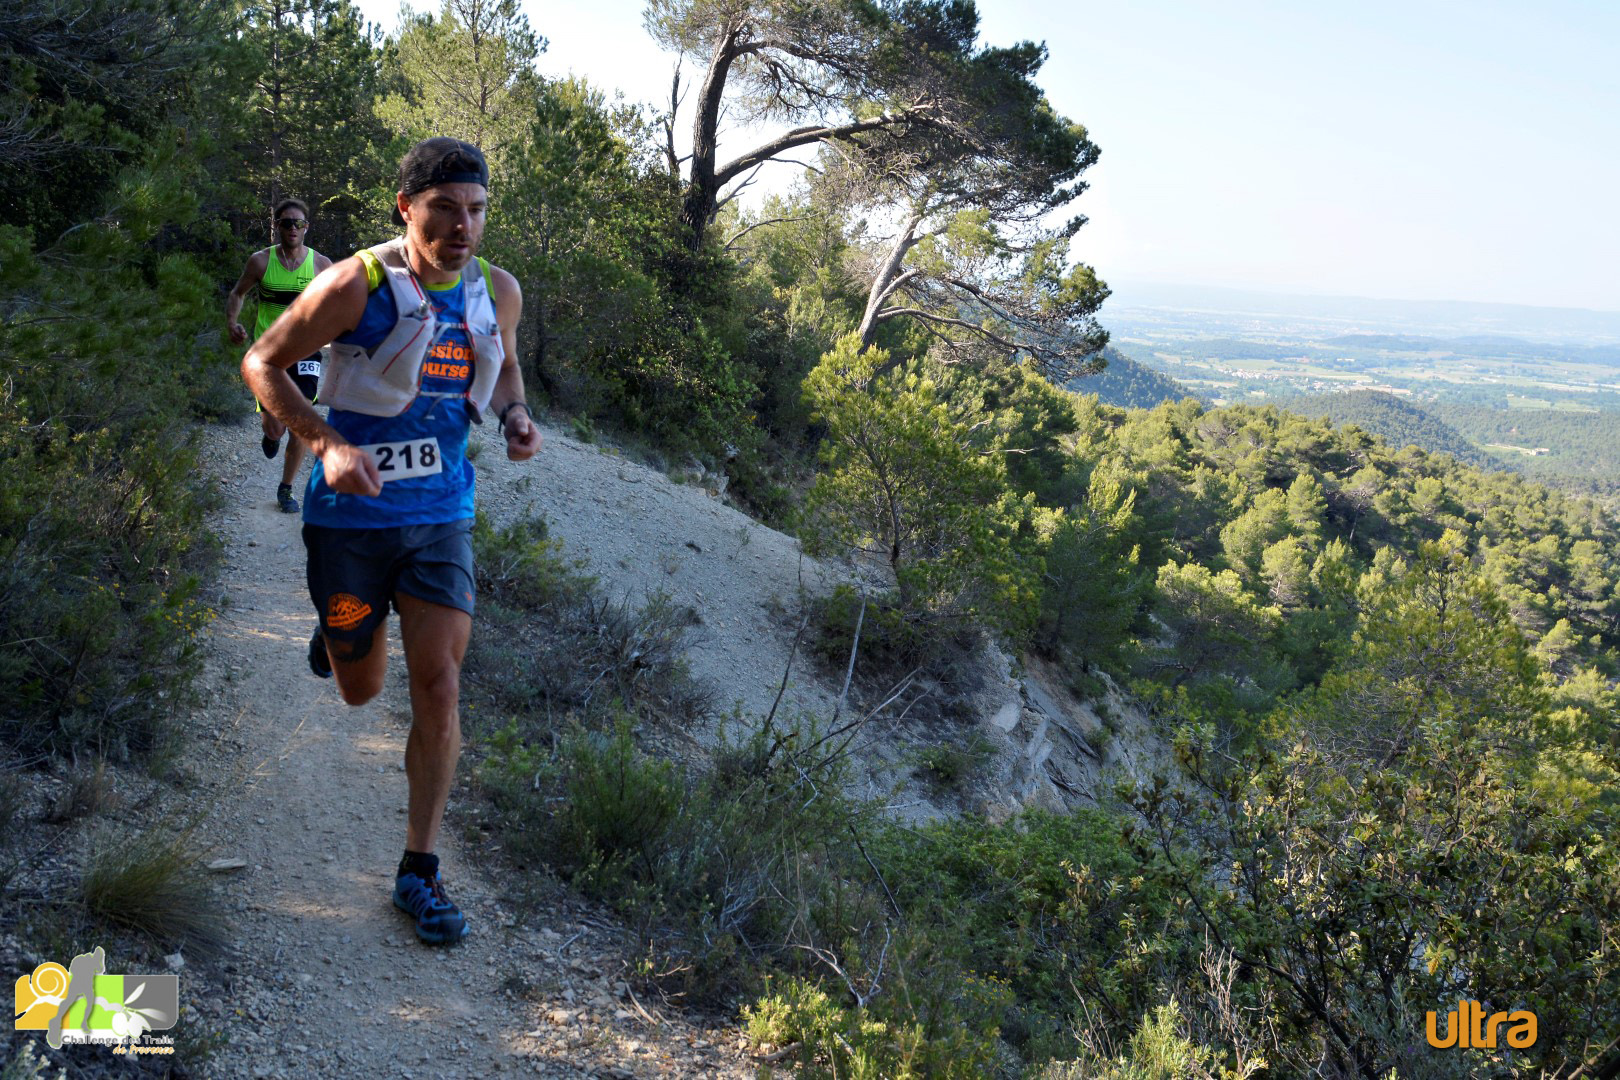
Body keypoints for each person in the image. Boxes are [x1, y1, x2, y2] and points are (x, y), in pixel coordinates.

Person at [241, 138, 541, 944]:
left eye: (475, 211)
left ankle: (419, 870)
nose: (462, 226)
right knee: (361, 690)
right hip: (350, 521)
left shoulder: (496, 291)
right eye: (444, 209)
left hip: (442, 513)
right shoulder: (357, 285)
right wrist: (327, 445)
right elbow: (263, 362)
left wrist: (513, 413)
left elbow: (505, 367)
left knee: (439, 685)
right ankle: (342, 633)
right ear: (405, 208)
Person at [227, 199, 333, 512]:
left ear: (306, 228)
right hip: (267, 355)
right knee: (276, 427)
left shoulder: (321, 264)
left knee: (300, 423)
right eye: (286, 223)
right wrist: (232, 322)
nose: (292, 228)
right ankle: (271, 435)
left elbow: (339, 305)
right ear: (276, 226)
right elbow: (238, 293)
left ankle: (286, 489)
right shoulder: (260, 262)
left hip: (305, 351)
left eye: (298, 223)